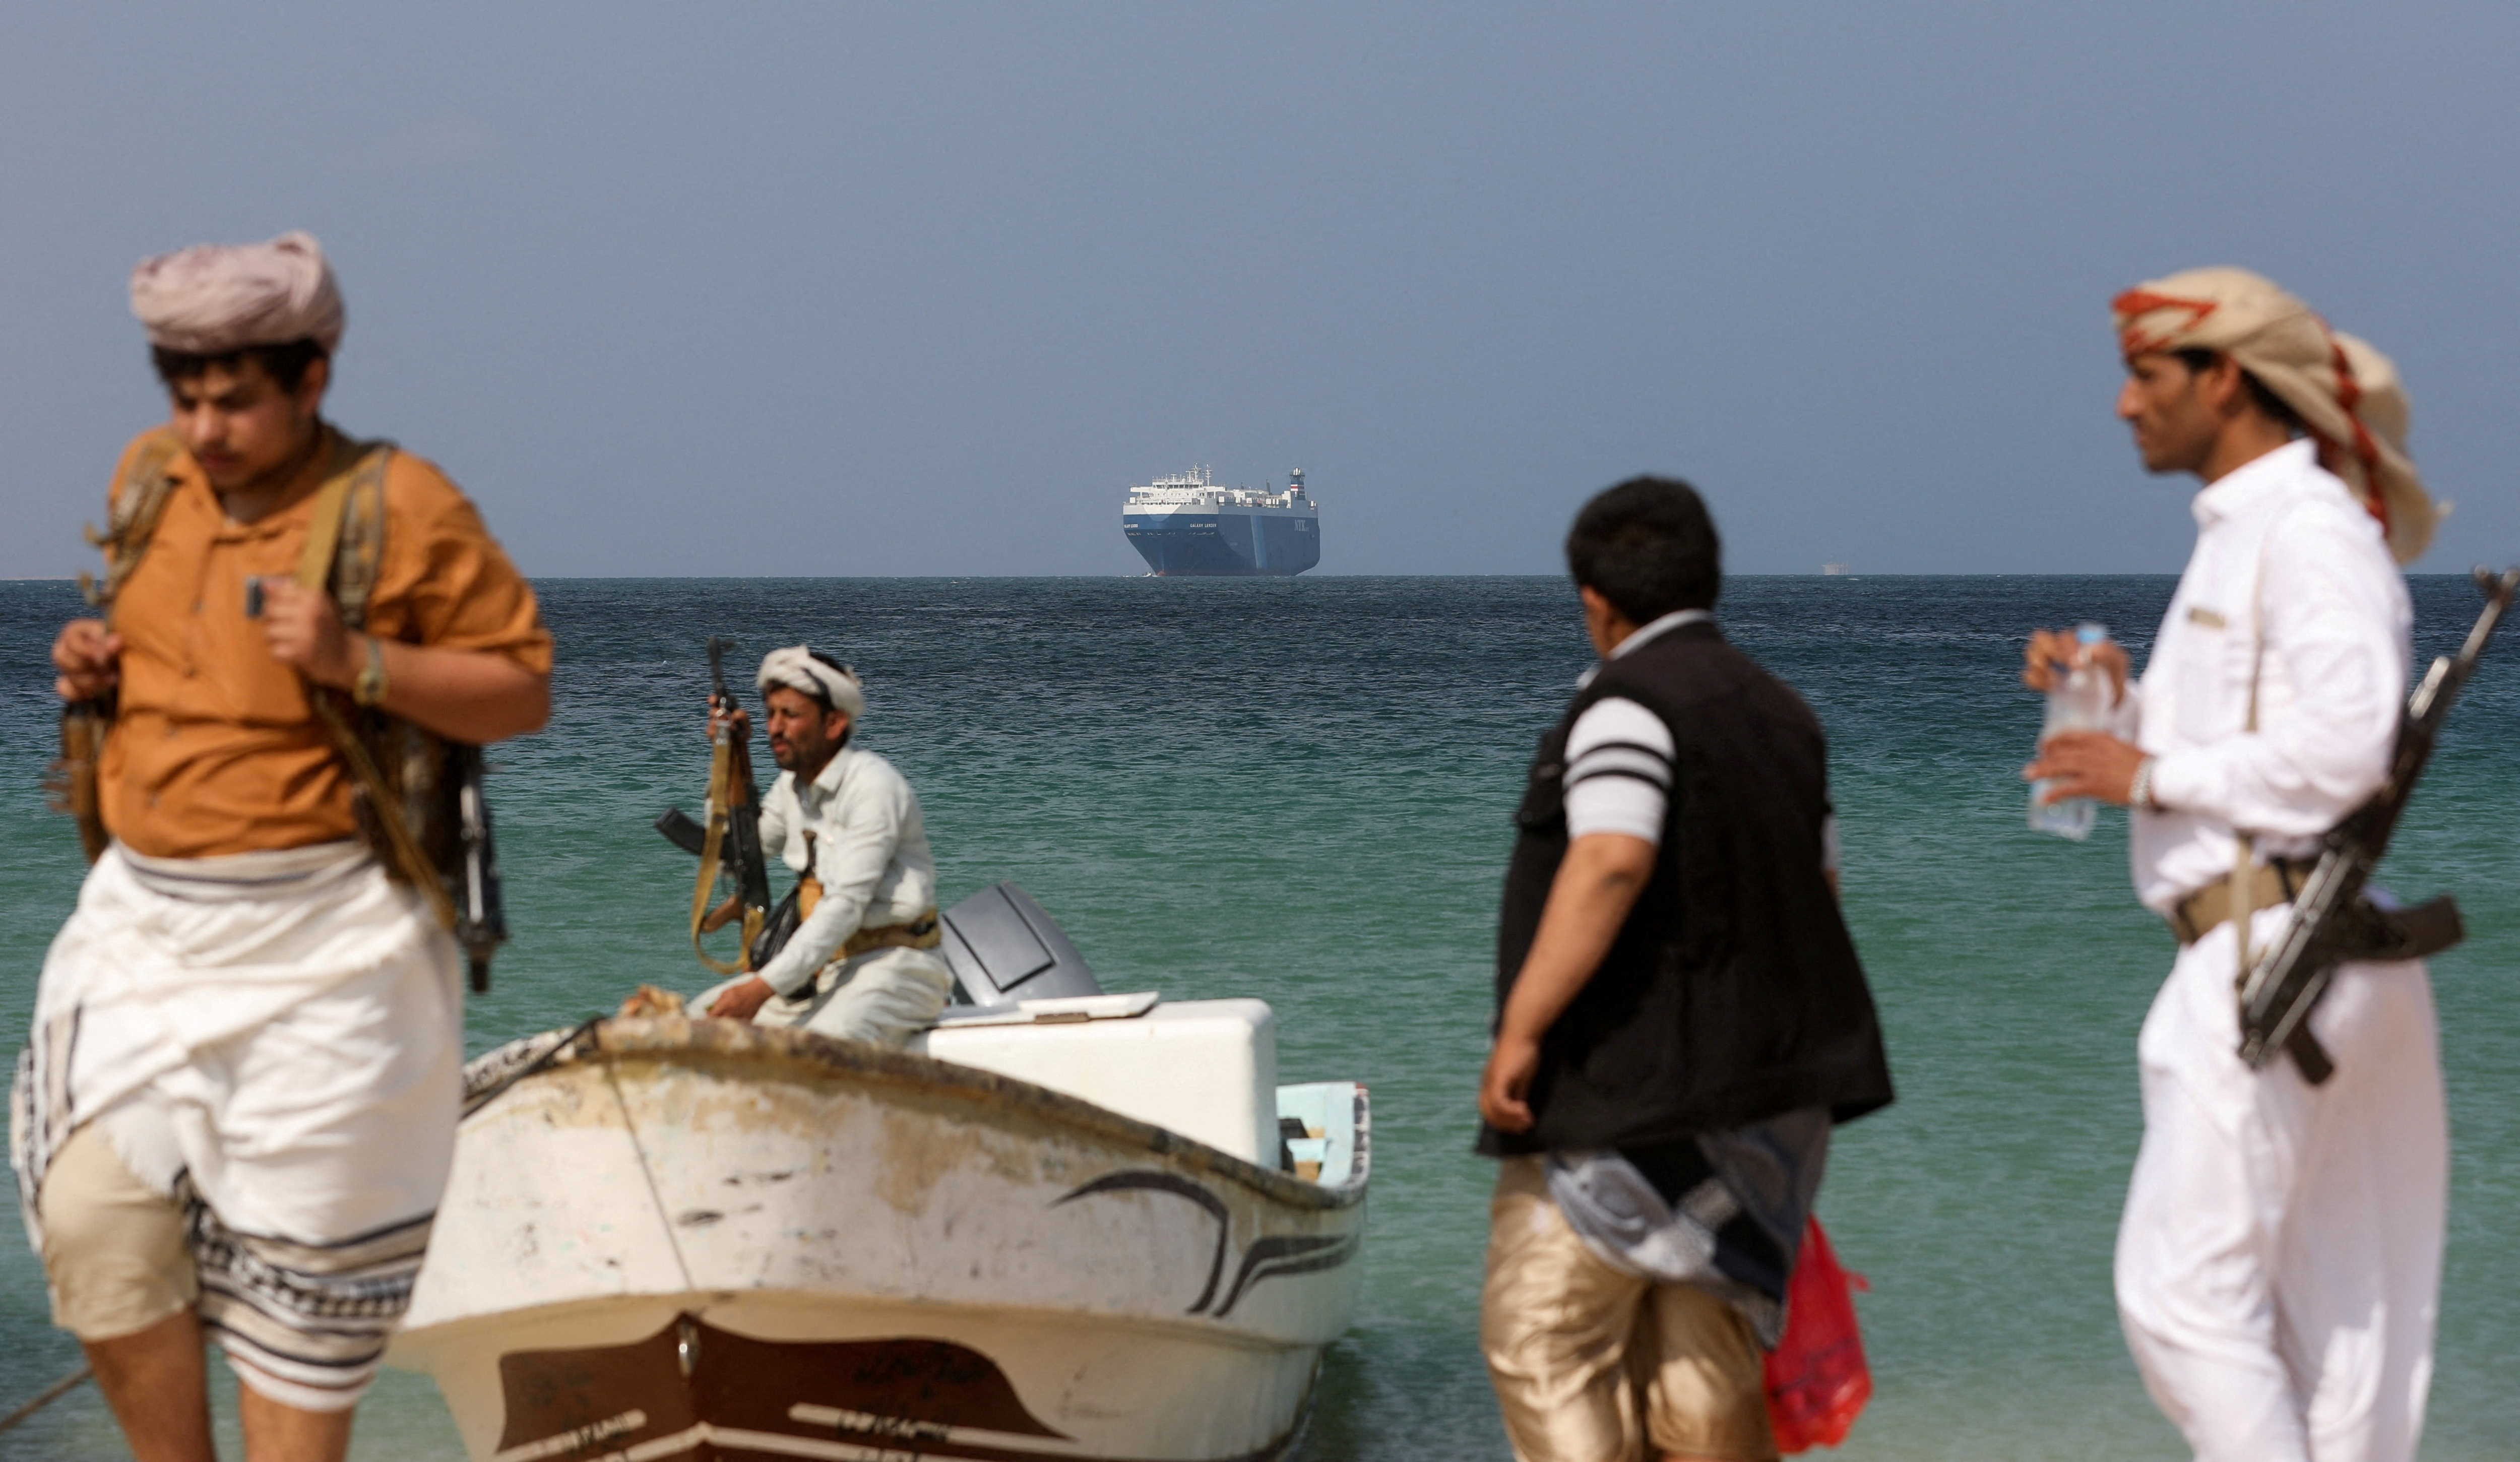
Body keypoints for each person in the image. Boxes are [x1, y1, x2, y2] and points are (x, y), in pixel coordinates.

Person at [12, 232, 552, 1462]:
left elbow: (521, 692)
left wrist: (362, 659)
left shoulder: (400, 504)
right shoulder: (153, 478)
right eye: (188, 398)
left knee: (296, 1310)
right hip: (145, 930)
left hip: (335, 947)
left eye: (236, 401)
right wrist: (95, 666)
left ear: (312, 380)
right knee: (92, 1225)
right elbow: (171, 641)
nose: (206, 429)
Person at [2023, 267, 2446, 1462]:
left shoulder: (2304, 531)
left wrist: (2148, 778)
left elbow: (2345, 743)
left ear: (2221, 379)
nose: (2122, 405)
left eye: (2144, 376)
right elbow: (2260, 732)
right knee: (2340, 1324)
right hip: (2311, 949)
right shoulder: (2254, 533)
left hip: (2276, 952)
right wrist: (2113, 703)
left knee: (2183, 1295)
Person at [1475, 477, 1894, 1462]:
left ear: (1596, 603)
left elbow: (1612, 857)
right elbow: (1820, 885)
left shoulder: (1623, 702)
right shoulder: (1784, 715)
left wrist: (1523, 1031)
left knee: (1542, 1341)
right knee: (1703, 1369)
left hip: (1623, 1101)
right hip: (1759, 1115)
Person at [697, 646, 951, 1044]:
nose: (775, 728)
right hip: (824, 973)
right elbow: (737, 857)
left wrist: (760, 988)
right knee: (694, 1025)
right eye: (771, 714)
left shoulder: (872, 787)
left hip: (899, 969)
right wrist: (727, 758)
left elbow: (844, 907)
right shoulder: (791, 788)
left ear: (834, 723)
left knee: (821, 1050)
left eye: (791, 715)